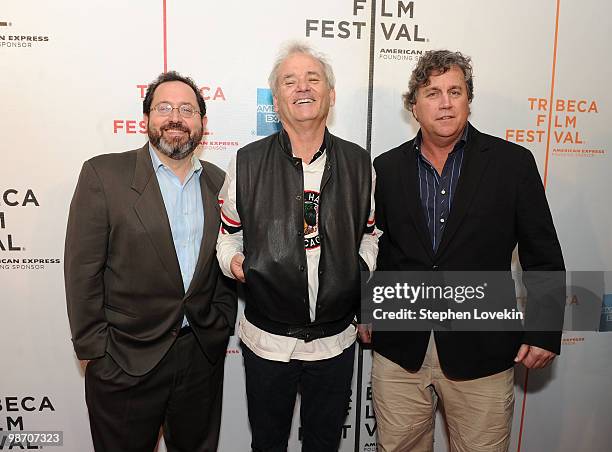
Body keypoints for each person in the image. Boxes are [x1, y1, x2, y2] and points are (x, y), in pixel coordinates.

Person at [369, 50, 564, 451]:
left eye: (454, 91)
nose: (444, 102)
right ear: (414, 106)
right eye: (432, 93)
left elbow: (542, 254)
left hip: (483, 350)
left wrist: (544, 330)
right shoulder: (385, 169)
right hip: (400, 350)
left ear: (468, 100)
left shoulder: (513, 164)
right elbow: (377, 249)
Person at [216, 42, 379, 452]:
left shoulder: (360, 164)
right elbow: (228, 234)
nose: (302, 88)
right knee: (268, 444)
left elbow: (371, 234)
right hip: (267, 341)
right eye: (290, 81)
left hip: (335, 340)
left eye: (313, 79)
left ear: (331, 94)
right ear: (277, 99)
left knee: (323, 444)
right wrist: (236, 263)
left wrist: (358, 268)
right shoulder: (247, 162)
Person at [64, 71, 237, 452]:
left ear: (202, 124)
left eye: (187, 109)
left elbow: (225, 259)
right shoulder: (104, 174)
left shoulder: (220, 182)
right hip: (124, 360)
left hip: (199, 359)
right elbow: (82, 272)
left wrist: (221, 322)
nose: (175, 117)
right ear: (146, 119)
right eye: (164, 107)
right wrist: (98, 353)